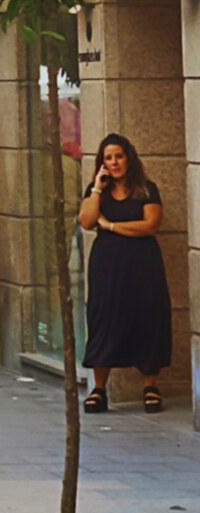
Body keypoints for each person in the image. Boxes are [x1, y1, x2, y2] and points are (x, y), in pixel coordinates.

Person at [80, 133, 173, 413]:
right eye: (108, 158)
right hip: (107, 266)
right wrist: (97, 188)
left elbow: (150, 225)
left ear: (128, 157)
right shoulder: (96, 191)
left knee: (147, 317)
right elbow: (86, 221)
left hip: (143, 264)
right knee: (104, 318)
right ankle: (99, 388)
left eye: (118, 156)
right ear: (102, 163)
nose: (114, 162)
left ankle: (150, 386)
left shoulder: (146, 189)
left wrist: (110, 226)